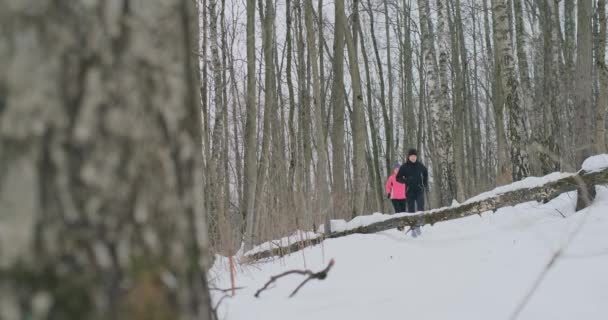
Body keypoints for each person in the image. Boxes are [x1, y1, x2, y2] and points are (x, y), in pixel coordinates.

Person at [396, 149, 429, 237]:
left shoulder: (420, 165)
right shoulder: (404, 166)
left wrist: (424, 184)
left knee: (420, 208)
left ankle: (418, 226)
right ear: (409, 157)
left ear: (416, 157)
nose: (413, 158)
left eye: (415, 156)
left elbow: (425, 173)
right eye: (412, 156)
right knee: (411, 211)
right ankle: (413, 229)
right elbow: (398, 178)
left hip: (419, 190)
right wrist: (405, 180)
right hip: (409, 191)